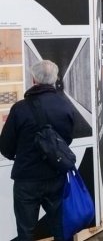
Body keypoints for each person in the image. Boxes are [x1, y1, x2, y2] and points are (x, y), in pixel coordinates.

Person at [0, 60, 75, 240]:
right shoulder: (65, 106)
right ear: (55, 79)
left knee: (25, 231)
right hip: (56, 175)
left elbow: (5, 146)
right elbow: (67, 140)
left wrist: (20, 156)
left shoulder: (20, 108)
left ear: (34, 79)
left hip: (27, 179)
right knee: (61, 227)